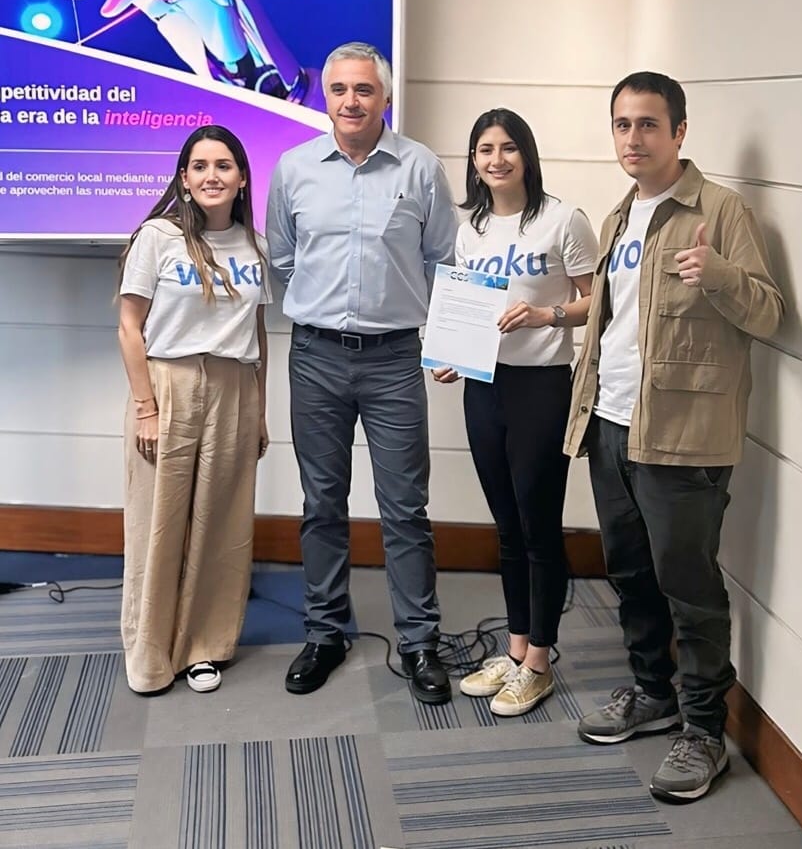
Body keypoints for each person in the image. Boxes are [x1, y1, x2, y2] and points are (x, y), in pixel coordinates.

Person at [565, 72, 784, 802]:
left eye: (648, 124)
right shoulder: (618, 216)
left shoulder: (720, 211)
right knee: (628, 571)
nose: (633, 138)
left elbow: (767, 314)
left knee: (687, 586)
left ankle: (702, 730)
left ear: (679, 132)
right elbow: (613, 321)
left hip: (684, 437)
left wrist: (719, 275)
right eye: (622, 124)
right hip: (611, 423)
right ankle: (650, 691)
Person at [266, 42, 458, 704]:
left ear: (385, 98)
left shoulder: (421, 168)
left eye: (364, 90)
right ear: (326, 96)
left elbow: (442, 259)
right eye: (340, 89)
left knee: (406, 508)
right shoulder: (293, 168)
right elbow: (284, 259)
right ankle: (324, 633)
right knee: (322, 504)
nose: (351, 101)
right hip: (315, 355)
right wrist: (326, 307)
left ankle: (420, 642)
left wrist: (445, 341)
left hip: (394, 359)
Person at [432, 108, 597, 716]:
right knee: (506, 526)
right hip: (485, 387)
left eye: (507, 148)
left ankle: (540, 662)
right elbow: (465, 306)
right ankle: (516, 646)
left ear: (526, 155)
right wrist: (453, 354)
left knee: (538, 526)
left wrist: (545, 316)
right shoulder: (468, 227)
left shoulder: (562, 220)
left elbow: (593, 302)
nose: (495, 159)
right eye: (483, 150)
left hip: (541, 387)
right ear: (473, 161)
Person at [117, 124, 270, 695]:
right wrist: (146, 408)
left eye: (224, 165)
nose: (212, 176)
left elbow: (257, 331)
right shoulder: (157, 237)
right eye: (200, 166)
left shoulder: (255, 246)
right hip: (169, 385)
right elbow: (130, 327)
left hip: (235, 388)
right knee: (158, 523)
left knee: (220, 522)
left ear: (242, 178)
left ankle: (205, 646)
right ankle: (150, 651)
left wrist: (258, 411)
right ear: (184, 179)